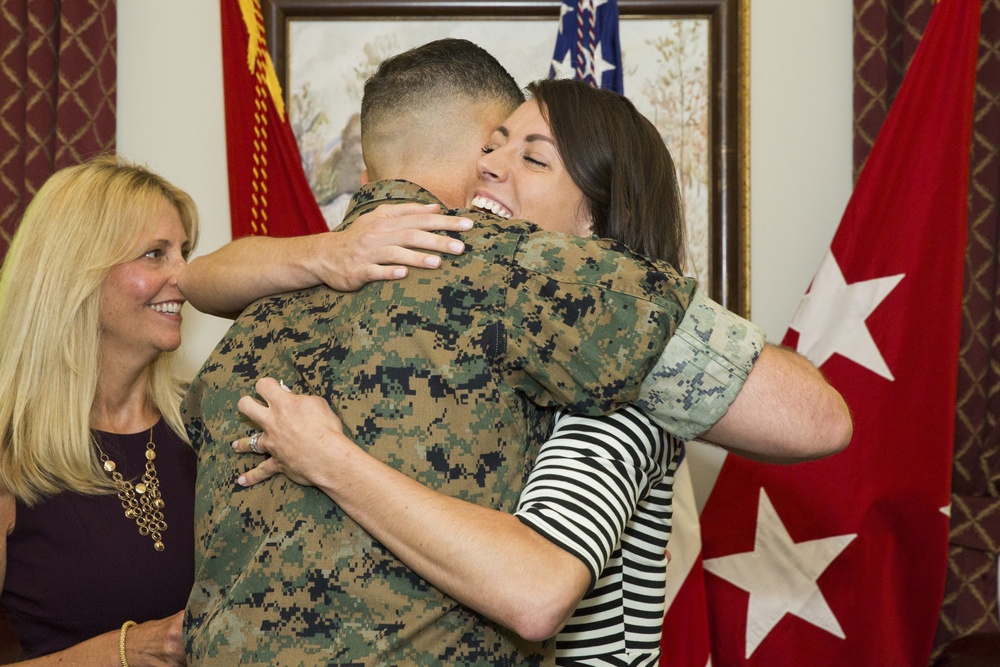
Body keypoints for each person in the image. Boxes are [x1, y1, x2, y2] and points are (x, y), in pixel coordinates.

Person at [182, 40, 850, 666]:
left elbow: (536, 589)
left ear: (595, 222)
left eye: (530, 157)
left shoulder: (610, 373)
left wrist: (333, 461)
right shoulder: (470, 313)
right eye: (493, 147)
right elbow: (195, 278)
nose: (491, 169)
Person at [0, 156, 198, 666]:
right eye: (154, 254)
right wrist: (127, 650)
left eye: (184, 252)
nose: (185, 276)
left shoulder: (204, 423)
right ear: (73, 273)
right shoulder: (8, 452)